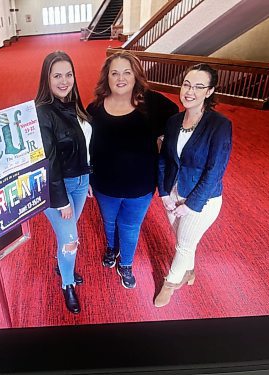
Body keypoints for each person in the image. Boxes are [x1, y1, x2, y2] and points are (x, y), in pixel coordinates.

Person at [87, 51, 178, 289]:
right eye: (114, 73)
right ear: (106, 77)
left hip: (141, 185)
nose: (120, 78)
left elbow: (177, 120)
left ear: (136, 76)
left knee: (129, 226)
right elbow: (88, 146)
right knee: (108, 221)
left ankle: (125, 264)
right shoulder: (94, 108)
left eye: (127, 72)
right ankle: (111, 248)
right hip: (104, 183)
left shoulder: (153, 103)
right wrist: (87, 176)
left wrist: (163, 143)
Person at [155, 63, 232, 307]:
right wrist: (164, 193)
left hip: (203, 200)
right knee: (185, 239)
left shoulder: (219, 125)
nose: (190, 91)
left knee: (184, 244)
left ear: (209, 92)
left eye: (199, 87)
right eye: (187, 84)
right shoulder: (174, 121)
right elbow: (164, 159)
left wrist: (191, 205)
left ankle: (170, 283)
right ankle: (188, 272)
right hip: (174, 192)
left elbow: (215, 171)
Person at [35, 51, 92, 314]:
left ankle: (62, 266)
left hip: (81, 182)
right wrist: (60, 201)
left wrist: (87, 176)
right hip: (59, 189)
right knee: (71, 240)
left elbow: (83, 145)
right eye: (57, 75)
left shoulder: (74, 104)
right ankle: (67, 283)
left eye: (68, 74)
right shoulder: (43, 112)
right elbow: (49, 161)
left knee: (67, 234)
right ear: (46, 78)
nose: (64, 81)